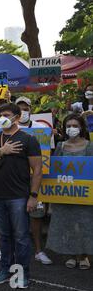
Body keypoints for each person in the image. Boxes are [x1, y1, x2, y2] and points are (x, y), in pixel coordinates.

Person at [0, 103, 43, 289]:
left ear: (17, 116)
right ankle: (5, 270)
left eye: (6, 114)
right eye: (0, 115)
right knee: (4, 236)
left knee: (21, 237)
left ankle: (22, 273)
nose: (2, 118)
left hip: (19, 197)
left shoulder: (28, 139)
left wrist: (33, 196)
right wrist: (0, 152)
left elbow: (37, 170)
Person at [46, 114, 93, 270]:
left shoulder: (89, 146)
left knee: (85, 224)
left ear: (81, 128)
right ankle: (71, 255)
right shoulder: (60, 146)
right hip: (65, 193)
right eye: (68, 126)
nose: (71, 129)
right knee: (67, 224)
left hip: (84, 194)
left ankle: (84, 255)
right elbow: (53, 168)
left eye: (75, 126)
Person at [15, 96, 53, 265]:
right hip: (15, 180)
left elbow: (49, 151)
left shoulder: (40, 128)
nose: (23, 112)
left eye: (26, 108)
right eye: (19, 108)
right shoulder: (9, 129)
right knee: (14, 215)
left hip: (36, 179)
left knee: (36, 215)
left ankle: (38, 250)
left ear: (31, 110)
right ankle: (12, 250)